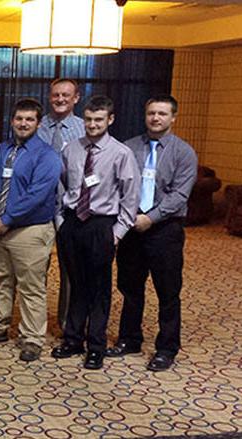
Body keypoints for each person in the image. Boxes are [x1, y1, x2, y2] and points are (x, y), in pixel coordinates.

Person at [108, 95, 198, 371]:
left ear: (173, 118)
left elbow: (180, 195)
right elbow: (116, 185)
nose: (155, 118)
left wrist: (151, 217)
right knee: (130, 287)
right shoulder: (129, 148)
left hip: (165, 230)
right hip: (131, 228)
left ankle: (167, 348)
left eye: (161, 114)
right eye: (151, 113)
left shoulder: (184, 153)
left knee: (168, 291)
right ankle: (129, 339)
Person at [51, 95, 140, 370]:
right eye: (88, 119)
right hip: (72, 224)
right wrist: (60, 221)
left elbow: (130, 196)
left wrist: (117, 233)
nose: (92, 125)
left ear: (110, 120)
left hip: (102, 225)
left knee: (99, 288)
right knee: (76, 284)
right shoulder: (72, 149)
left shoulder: (121, 153)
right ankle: (73, 339)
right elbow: (63, 186)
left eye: (98, 120)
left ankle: (96, 345)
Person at [0, 98, 61, 362]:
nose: (23, 123)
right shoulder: (1, 149)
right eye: (19, 119)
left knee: (31, 286)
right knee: (1, 280)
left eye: (29, 119)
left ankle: (31, 338)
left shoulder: (47, 155)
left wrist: (8, 218)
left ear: (38, 123)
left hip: (29, 230)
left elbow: (38, 195)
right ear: (12, 121)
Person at [36, 78, 85, 331]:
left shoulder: (85, 128)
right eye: (56, 95)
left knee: (71, 270)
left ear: (76, 98)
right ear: (49, 96)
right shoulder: (37, 125)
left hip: (71, 210)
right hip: (39, 208)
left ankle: (68, 324)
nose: (60, 99)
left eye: (66, 95)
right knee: (35, 270)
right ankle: (34, 324)